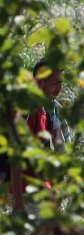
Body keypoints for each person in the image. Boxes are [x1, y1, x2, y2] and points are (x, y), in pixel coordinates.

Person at [11, 60, 70, 211]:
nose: (60, 88)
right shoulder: (25, 113)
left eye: (61, 83)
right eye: (56, 83)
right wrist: (18, 203)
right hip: (24, 192)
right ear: (40, 82)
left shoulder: (49, 110)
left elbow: (58, 152)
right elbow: (16, 160)